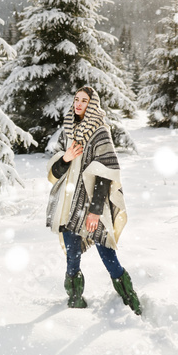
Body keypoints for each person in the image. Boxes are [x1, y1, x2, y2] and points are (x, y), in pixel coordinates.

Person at [46, 86, 141, 314]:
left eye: (84, 100)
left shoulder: (100, 133)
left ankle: (131, 301)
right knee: (72, 257)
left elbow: (105, 173)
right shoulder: (67, 131)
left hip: (91, 207)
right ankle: (74, 302)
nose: (78, 104)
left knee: (108, 255)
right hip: (69, 206)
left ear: (92, 104)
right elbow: (56, 172)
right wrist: (66, 158)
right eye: (76, 99)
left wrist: (95, 211)